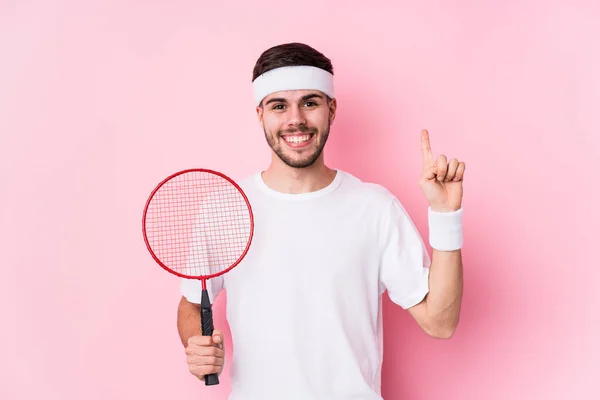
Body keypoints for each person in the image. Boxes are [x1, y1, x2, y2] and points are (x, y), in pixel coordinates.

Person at [177, 42, 465, 399]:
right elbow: (192, 302)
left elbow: (440, 322)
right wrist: (196, 345)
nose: (295, 119)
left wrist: (446, 214)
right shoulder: (226, 207)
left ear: (331, 110)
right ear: (260, 115)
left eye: (310, 103)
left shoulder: (374, 207)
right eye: (279, 105)